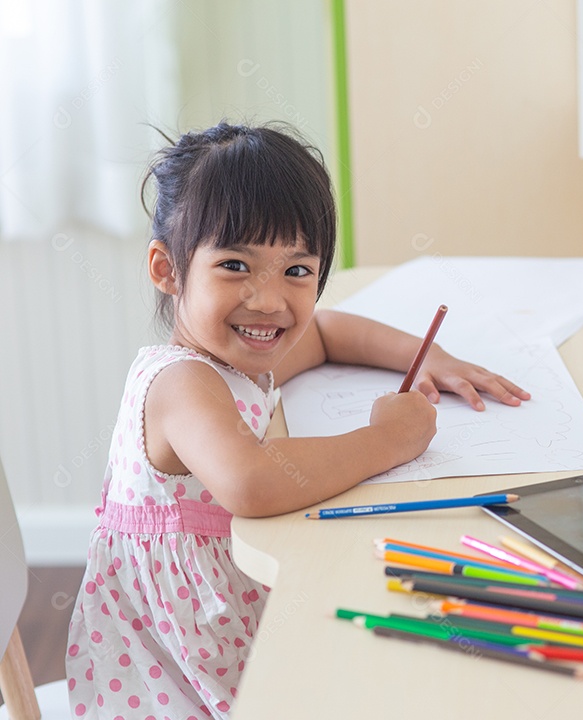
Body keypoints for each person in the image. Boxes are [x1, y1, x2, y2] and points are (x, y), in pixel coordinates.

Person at [65, 121, 530, 718]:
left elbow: (328, 333)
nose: (268, 301)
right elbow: (252, 481)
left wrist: (429, 356)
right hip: (174, 664)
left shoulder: (239, 354)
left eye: (296, 271)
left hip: (225, 608)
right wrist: (387, 438)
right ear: (168, 269)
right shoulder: (182, 382)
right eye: (235, 265)